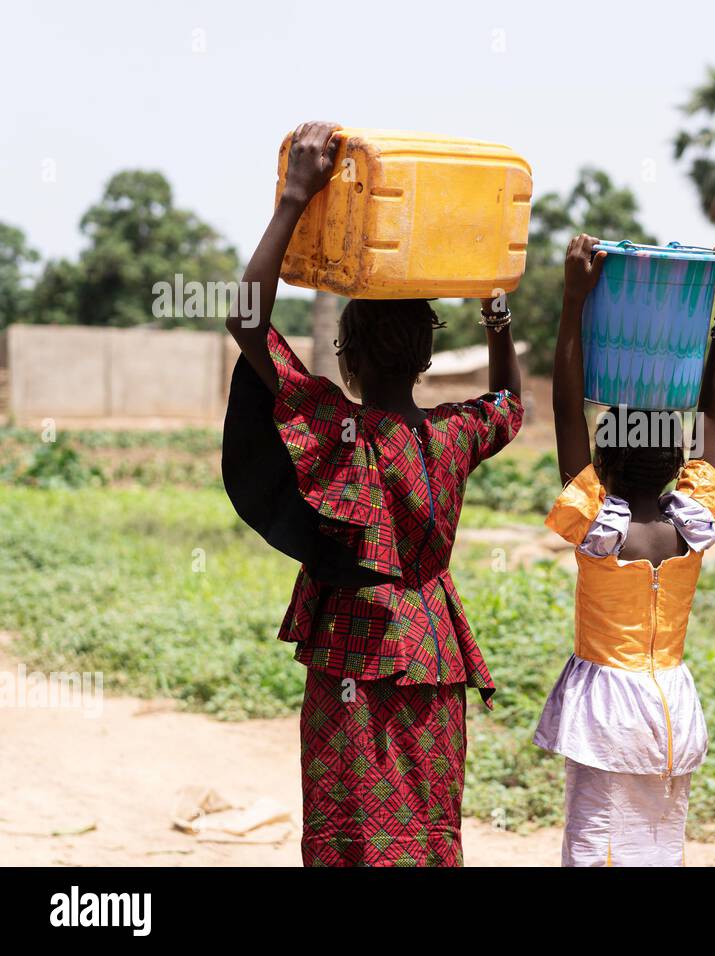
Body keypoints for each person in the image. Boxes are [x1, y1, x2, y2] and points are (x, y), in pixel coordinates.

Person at [221, 121, 524, 867]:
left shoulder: (332, 425)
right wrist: (496, 315)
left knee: (348, 821)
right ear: (426, 353)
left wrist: (295, 198)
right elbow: (512, 403)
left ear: (345, 353)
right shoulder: (456, 433)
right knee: (423, 827)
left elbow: (246, 320)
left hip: (350, 649)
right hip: (431, 652)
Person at [533, 233, 715, 866]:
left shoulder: (597, 521)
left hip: (606, 712)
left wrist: (575, 300)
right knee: (658, 843)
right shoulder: (692, 518)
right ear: (679, 461)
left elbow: (566, 403)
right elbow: (713, 407)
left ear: (601, 460)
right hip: (670, 706)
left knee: (597, 844)